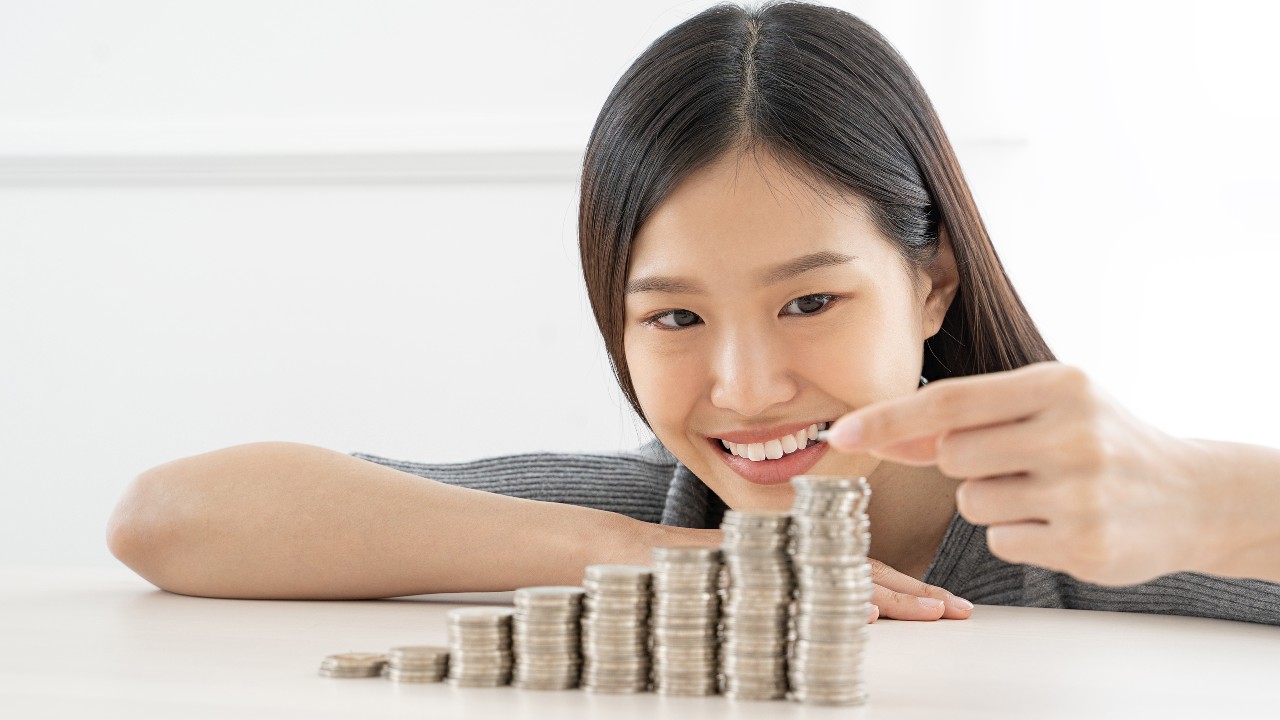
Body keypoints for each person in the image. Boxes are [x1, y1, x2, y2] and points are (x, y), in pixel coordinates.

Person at [107, 1, 1280, 625]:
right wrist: (649, 558)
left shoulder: (1096, 531)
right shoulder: (673, 519)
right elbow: (170, 517)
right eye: (672, 320)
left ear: (930, 283)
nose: (745, 387)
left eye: (809, 300)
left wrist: (1208, 498)